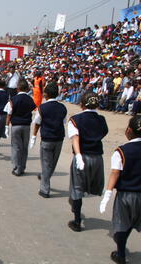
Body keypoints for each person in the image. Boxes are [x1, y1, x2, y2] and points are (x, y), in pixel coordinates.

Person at [99, 116, 141, 264]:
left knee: (121, 224)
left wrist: (107, 194)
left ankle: (121, 254)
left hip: (126, 195)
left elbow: (115, 173)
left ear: (129, 131)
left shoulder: (122, 151)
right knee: (132, 222)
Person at [67, 92, 108, 232]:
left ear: (82, 104)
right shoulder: (102, 119)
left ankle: (77, 220)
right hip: (97, 157)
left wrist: (78, 155)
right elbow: (103, 132)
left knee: (77, 187)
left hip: (83, 156)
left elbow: (75, 138)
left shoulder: (75, 119)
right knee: (89, 185)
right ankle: (76, 205)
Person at [31, 83, 67, 198]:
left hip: (47, 138)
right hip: (59, 138)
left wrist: (34, 136)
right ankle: (45, 176)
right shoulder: (62, 107)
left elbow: (37, 123)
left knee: (46, 163)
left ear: (45, 94)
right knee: (52, 163)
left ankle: (45, 189)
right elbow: (63, 122)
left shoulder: (42, 107)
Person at [5, 79, 37, 176]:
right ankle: (22, 167)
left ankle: (17, 167)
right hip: (26, 126)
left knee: (16, 147)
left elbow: (9, 114)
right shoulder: (30, 99)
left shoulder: (13, 99)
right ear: (27, 89)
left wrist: (7, 125)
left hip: (16, 125)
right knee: (24, 147)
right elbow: (32, 108)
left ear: (17, 88)